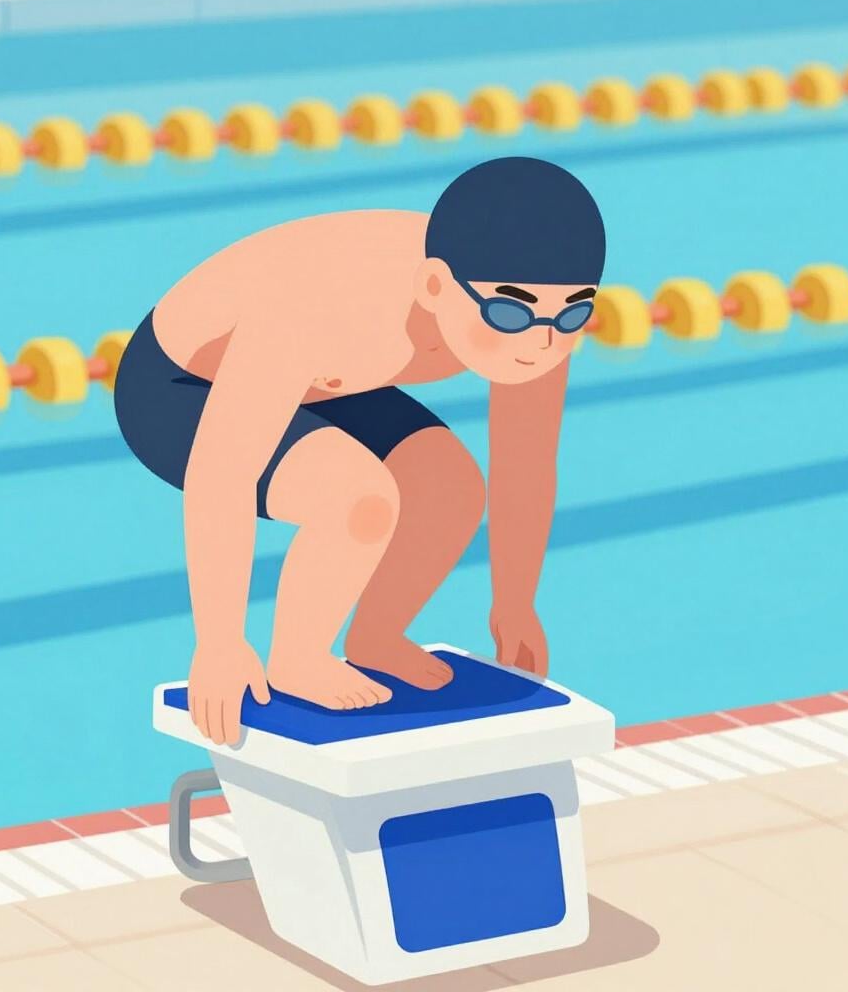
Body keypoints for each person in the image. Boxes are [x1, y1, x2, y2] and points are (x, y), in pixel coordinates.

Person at [115, 156, 606, 746]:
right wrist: (219, 644)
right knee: (356, 500)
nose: (540, 343)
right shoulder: (323, 304)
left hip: (335, 380)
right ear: (434, 286)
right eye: (507, 312)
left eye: (574, 313)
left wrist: (515, 602)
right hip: (183, 387)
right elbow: (223, 472)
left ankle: (375, 635)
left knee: (449, 487)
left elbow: (524, 465)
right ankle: (296, 658)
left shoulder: (539, 322)